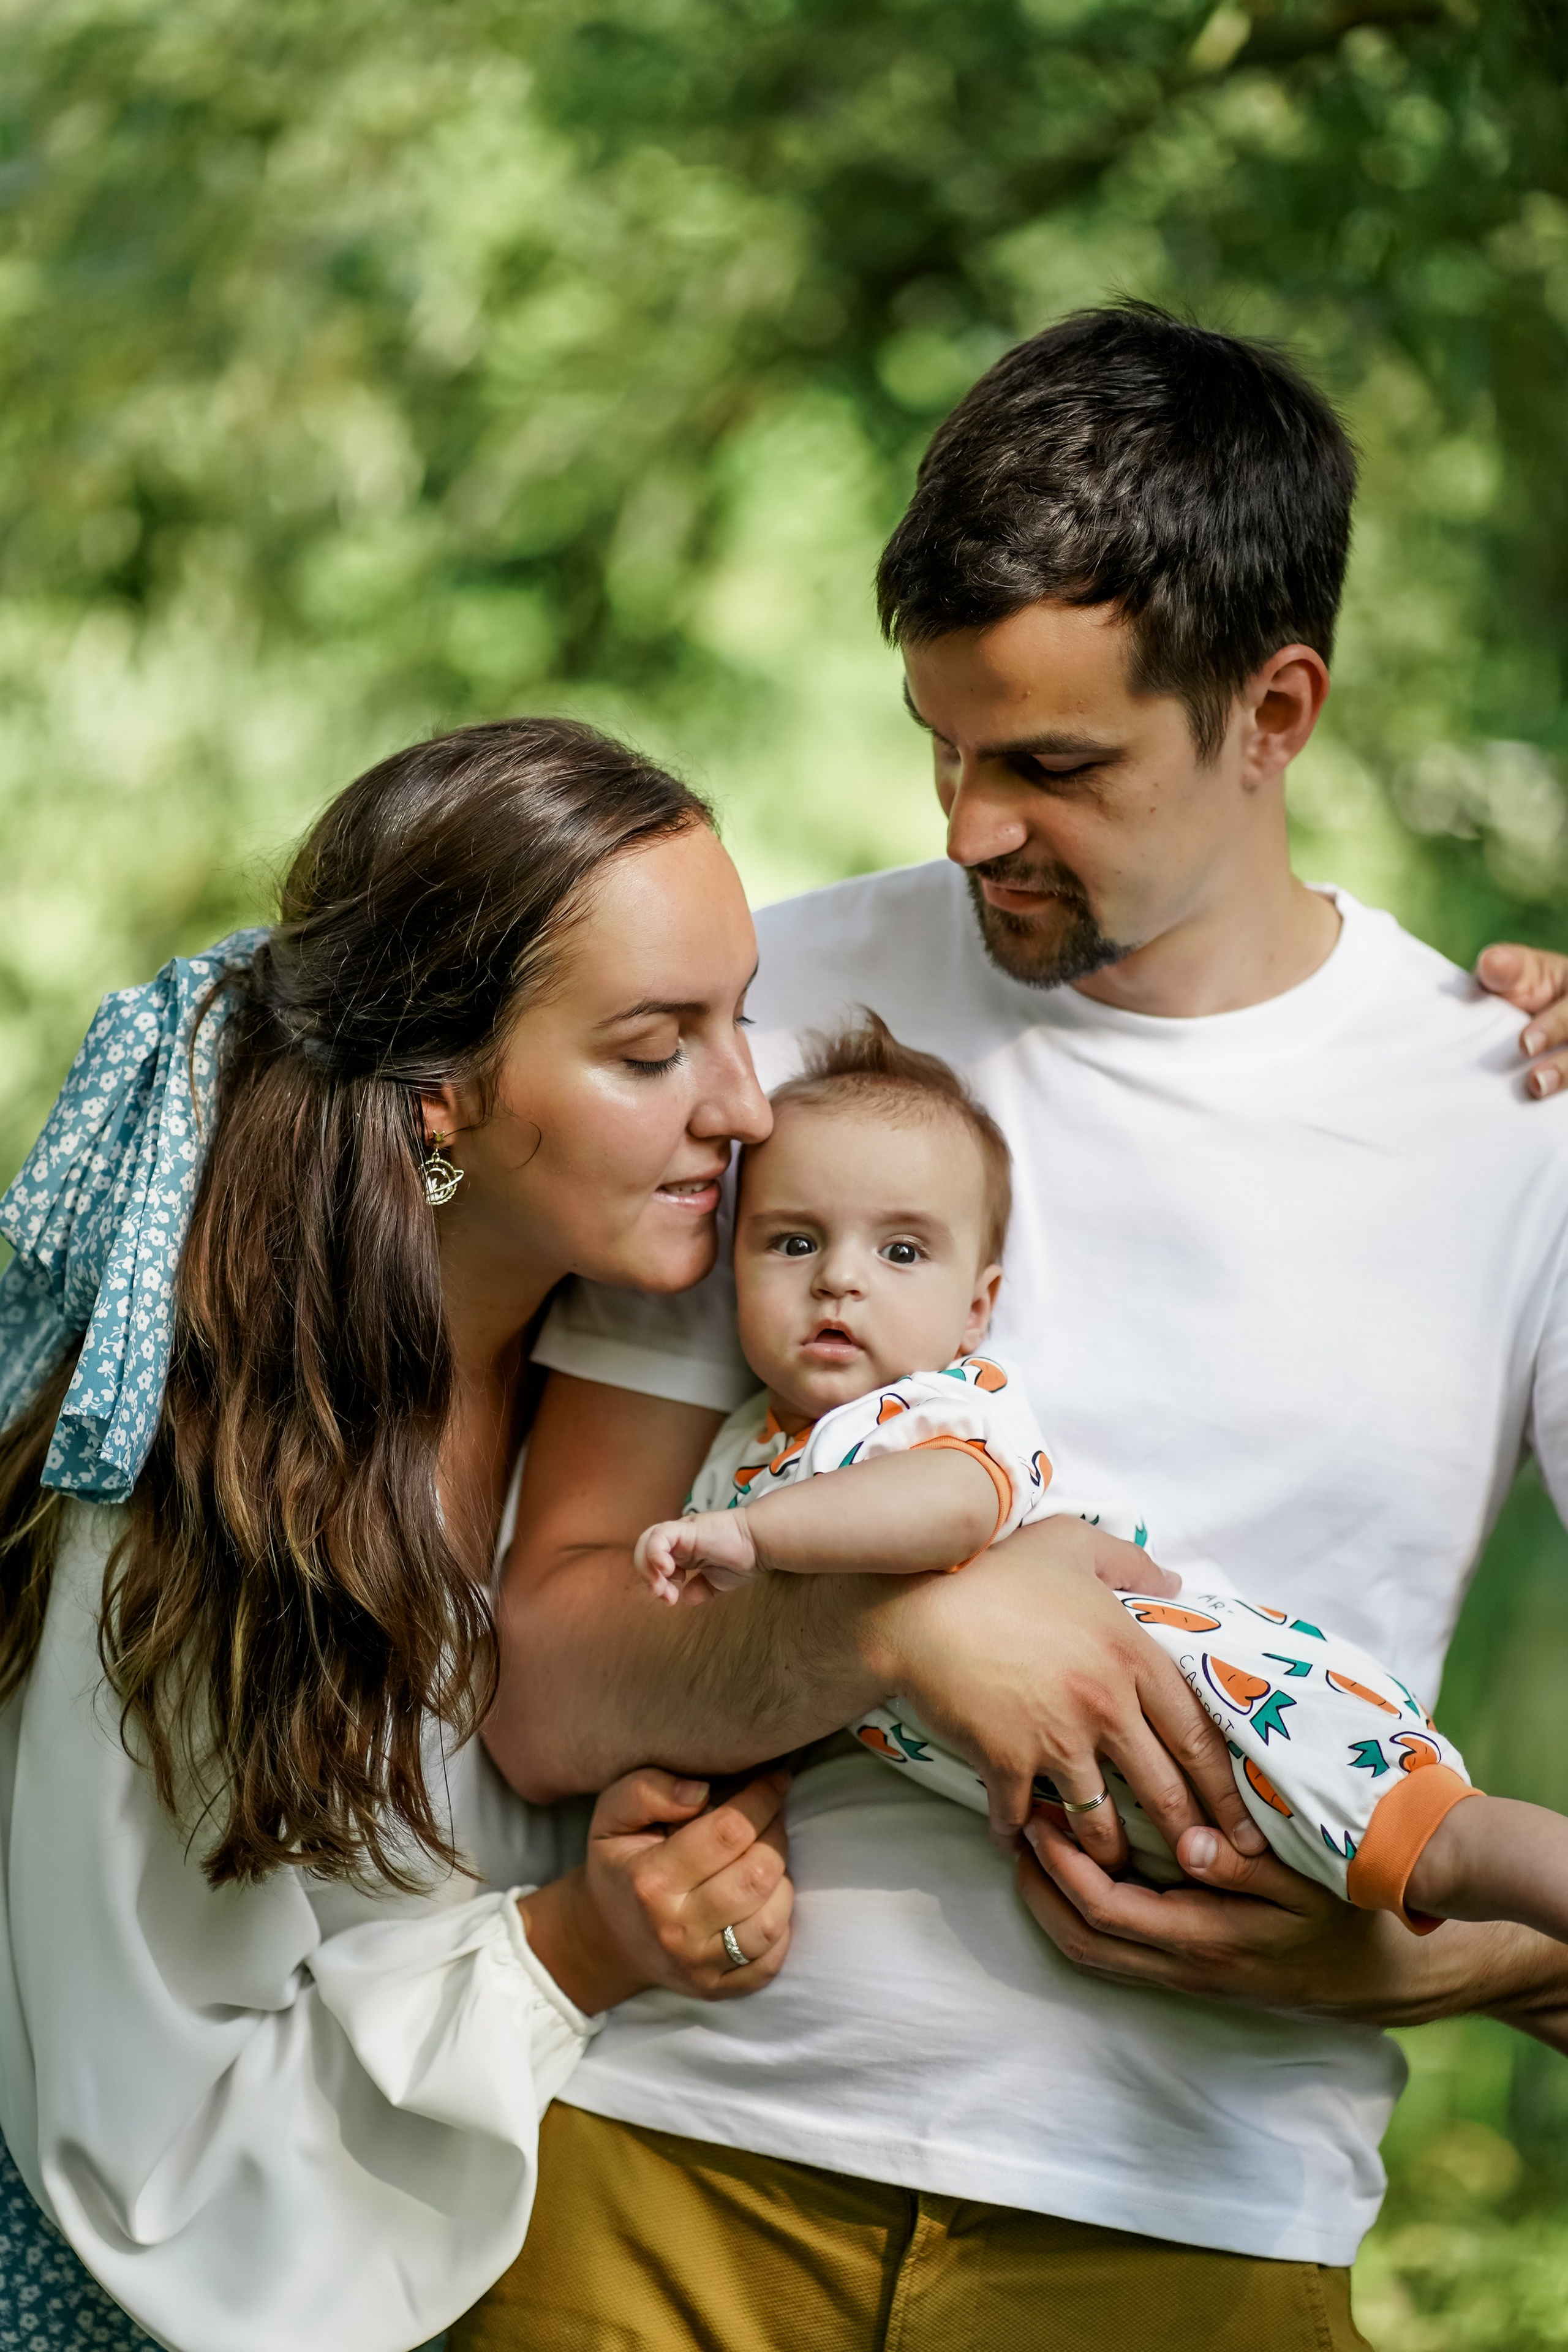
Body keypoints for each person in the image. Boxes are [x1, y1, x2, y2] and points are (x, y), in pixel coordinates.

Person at [461, 308, 1568, 2352]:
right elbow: (540, 1680)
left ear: (1276, 710)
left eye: (1054, 766)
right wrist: (886, 1633)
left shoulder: (1514, 1119)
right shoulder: (759, 1018)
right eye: (944, 745)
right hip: (657, 2174)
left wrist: (1446, 1966)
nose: (974, 827)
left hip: (1192, 2233)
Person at [0, 717, 794, 2351]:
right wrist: (576, 1946)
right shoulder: (185, 1509)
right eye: (655, 1053)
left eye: (744, 1019)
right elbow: (154, 2153)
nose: (748, 1103)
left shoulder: (679, 1365)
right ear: (441, 1102)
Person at [636, 1013, 1568, 1952]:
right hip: (1096, 1790)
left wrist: (756, 1540)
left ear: (977, 1309)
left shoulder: (941, 1410)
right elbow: (767, 1667)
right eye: (792, 1243)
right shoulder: (736, 1456)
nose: (838, 1280)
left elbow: (949, 1513)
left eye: (902, 1252)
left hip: (1210, 1688)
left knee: (1438, 1843)